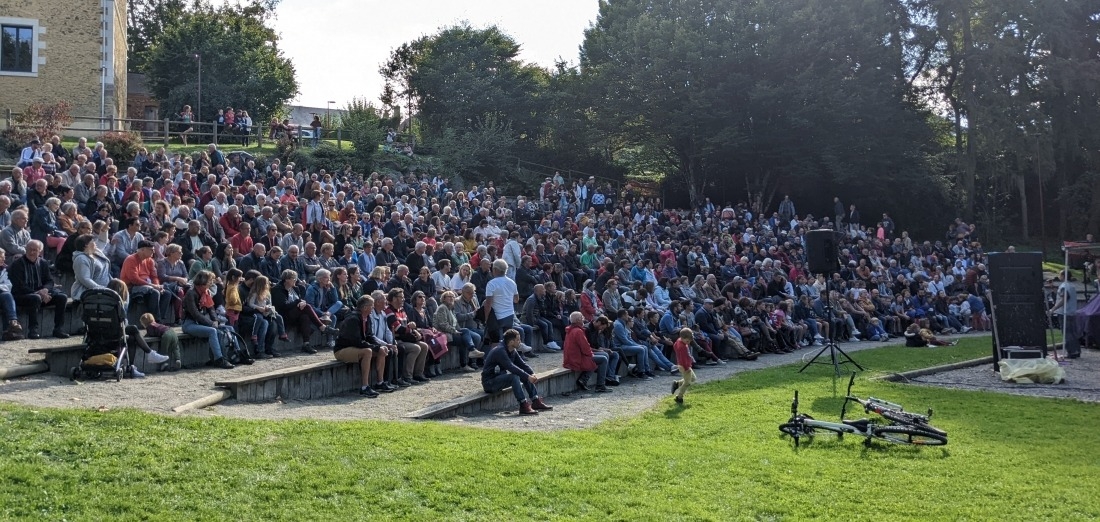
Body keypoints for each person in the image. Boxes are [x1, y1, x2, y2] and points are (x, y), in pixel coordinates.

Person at [335, 294, 396, 397]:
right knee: (367, 351)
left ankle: (380, 383)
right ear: (365, 307)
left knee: (383, 349)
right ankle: (364, 387)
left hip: (356, 346)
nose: (373, 308)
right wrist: (375, 347)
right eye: (371, 306)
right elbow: (356, 341)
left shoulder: (367, 318)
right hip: (342, 349)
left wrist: (382, 345)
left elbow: (369, 336)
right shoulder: (353, 319)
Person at [481, 329, 553, 416]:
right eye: (518, 340)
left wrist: (531, 373)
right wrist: (528, 376)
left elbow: (522, 364)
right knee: (514, 376)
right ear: (511, 342)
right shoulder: (500, 351)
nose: (520, 342)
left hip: (499, 378)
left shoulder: (512, 350)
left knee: (524, 374)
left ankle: (535, 401)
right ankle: (523, 405)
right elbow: (511, 367)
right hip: (489, 383)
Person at [10, 240, 69, 339]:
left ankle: (58, 329)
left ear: (40, 251)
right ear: (25, 249)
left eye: (35, 250)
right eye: (29, 250)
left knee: (62, 297)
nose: (32, 252)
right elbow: (19, 285)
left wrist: (45, 290)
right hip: (23, 295)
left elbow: (49, 281)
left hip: (41, 293)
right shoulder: (17, 264)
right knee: (35, 298)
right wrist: (39, 293)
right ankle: (33, 330)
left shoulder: (43, 263)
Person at [182, 270, 234, 368]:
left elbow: (212, 310)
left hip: (201, 322)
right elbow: (195, 313)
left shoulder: (206, 293)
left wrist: (216, 321)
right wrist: (211, 323)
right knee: (212, 331)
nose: (211, 283)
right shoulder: (191, 293)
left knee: (229, 328)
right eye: (210, 281)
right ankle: (219, 359)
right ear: (203, 281)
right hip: (189, 323)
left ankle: (235, 355)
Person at [120, 240, 174, 322]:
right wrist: (153, 286)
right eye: (151, 250)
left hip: (147, 285)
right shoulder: (130, 259)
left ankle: (161, 319)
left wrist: (157, 285)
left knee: (167, 293)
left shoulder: (150, 260)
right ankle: (154, 322)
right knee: (154, 292)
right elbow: (134, 279)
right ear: (142, 250)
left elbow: (154, 276)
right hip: (131, 286)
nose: (153, 252)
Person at [562, 311, 614, 393]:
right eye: (582, 318)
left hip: (573, 356)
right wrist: (592, 356)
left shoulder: (572, 330)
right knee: (603, 359)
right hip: (576, 359)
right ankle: (600, 385)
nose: (584, 320)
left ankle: (584, 379)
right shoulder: (578, 331)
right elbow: (586, 349)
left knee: (603, 356)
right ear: (578, 320)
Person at [1050, 267, 1080, 358]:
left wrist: (1053, 309)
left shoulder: (1064, 286)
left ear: (1063, 276)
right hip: (1071, 312)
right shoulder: (1071, 286)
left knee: (1067, 333)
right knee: (1073, 332)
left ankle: (1071, 352)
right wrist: (1054, 288)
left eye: (1060, 274)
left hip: (1064, 312)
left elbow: (1064, 298)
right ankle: (1076, 351)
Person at [0, 250, 24, 340]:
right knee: (7, 296)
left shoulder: (5, 269)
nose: (3, 259)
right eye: (0, 257)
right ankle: (12, 323)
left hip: (2, 295)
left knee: (7, 296)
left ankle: (11, 326)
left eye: (4, 257)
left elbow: (9, 285)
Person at [670, 328, 697, 405]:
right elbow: (683, 359)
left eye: (689, 341)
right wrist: (687, 367)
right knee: (687, 382)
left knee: (693, 378)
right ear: (682, 338)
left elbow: (674, 345)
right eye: (687, 341)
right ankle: (679, 397)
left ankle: (677, 384)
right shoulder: (682, 347)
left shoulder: (679, 341)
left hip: (684, 365)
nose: (688, 343)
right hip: (684, 366)